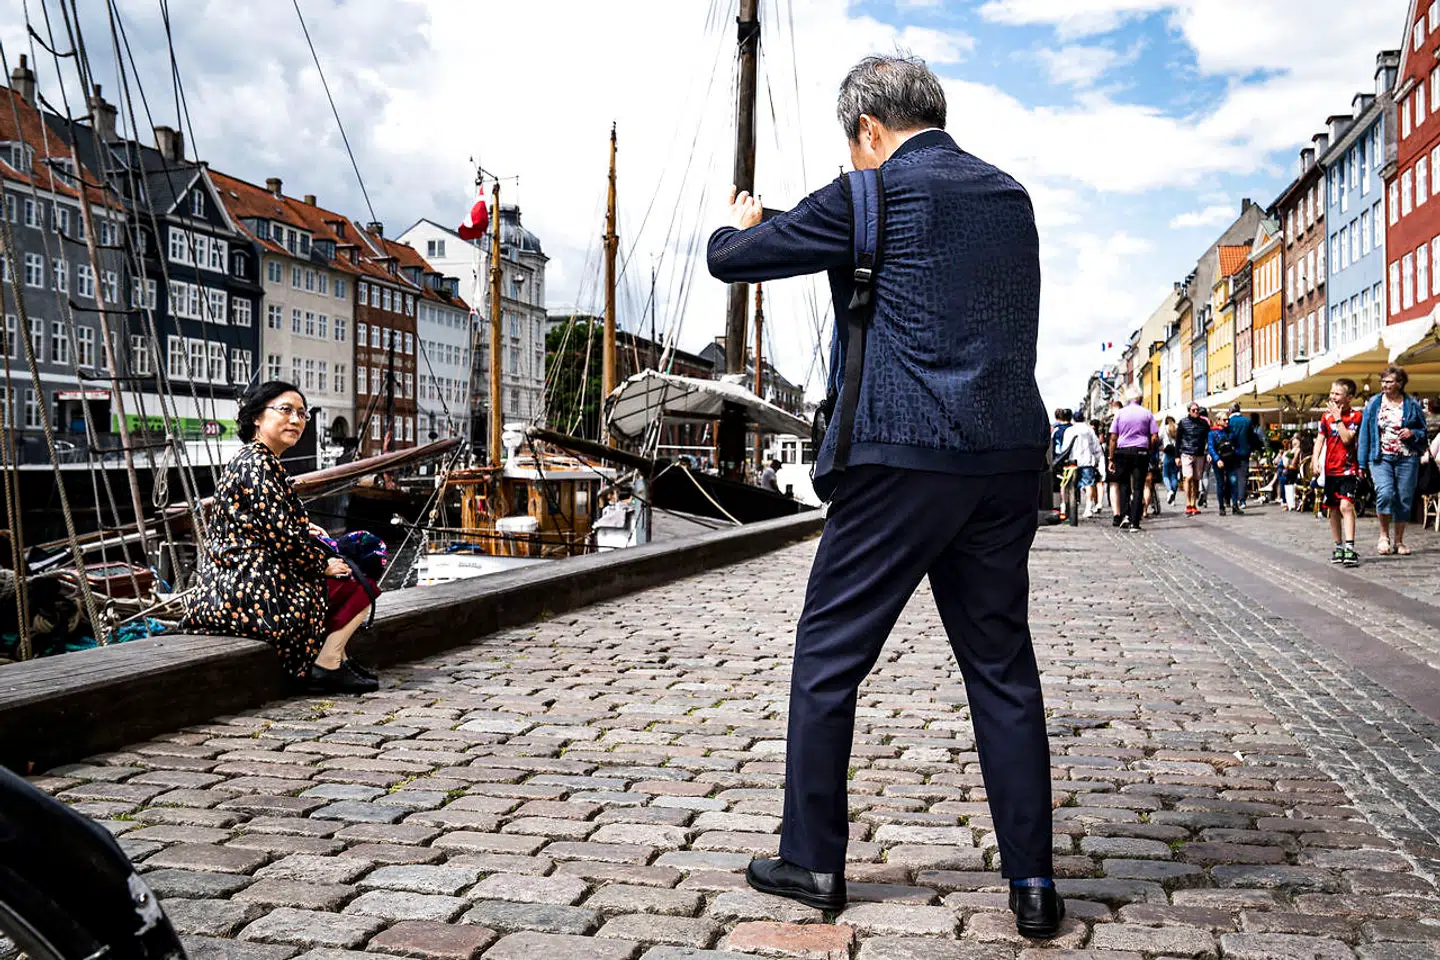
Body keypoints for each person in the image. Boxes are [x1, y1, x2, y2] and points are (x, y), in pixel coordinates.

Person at [706, 55, 1061, 938]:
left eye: (852, 145)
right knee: (1003, 672)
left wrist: (741, 219)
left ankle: (813, 859)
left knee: (829, 659)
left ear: (867, 131)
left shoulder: (870, 193)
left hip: (901, 459)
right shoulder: (1008, 196)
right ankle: (1034, 885)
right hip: (1006, 458)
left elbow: (734, 260)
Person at [183, 382, 379, 693]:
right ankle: (326, 663)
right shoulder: (258, 464)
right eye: (286, 410)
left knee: (348, 577)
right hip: (250, 589)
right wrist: (322, 564)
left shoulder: (255, 459)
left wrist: (306, 529)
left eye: (302, 414)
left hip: (234, 583)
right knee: (360, 586)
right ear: (257, 418)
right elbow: (283, 536)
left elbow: (268, 524)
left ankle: (337, 656)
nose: (296, 419)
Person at [1358, 364, 1428, 556]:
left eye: (1389, 381)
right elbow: (1365, 433)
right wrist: (1362, 463)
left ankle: (1399, 540)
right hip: (1381, 457)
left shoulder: (1412, 404)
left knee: (1404, 499)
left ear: (1400, 383)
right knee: (1386, 493)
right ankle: (1383, 536)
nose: (1385, 385)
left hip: (1407, 458)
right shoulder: (1374, 403)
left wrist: (1412, 432)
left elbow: (1424, 431)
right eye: (1383, 381)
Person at [1316, 378, 1363, 567]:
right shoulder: (1325, 417)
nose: (1332, 397)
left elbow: (1346, 439)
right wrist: (1314, 459)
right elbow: (1320, 439)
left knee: (1346, 506)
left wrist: (1337, 418)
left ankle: (1350, 547)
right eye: (1331, 393)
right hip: (1330, 470)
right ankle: (1338, 546)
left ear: (1349, 397)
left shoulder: (1355, 416)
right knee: (1333, 509)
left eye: (1337, 394)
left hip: (1348, 469)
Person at [1107, 388, 1157, 531]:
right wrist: (1149, 449)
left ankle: (1126, 516)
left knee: (1123, 485)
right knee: (1138, 487)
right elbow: (1154, 436)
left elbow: (1113, 437)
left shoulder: (1120, 414)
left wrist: (1111, 457)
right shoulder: (1147, 413)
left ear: (1128, 400)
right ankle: (1135, 522)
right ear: (1140, 399)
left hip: (1123, 451)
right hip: (1141, 451)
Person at [1223, 402, 1266, 515]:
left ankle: (1228, 499)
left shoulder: (1228, 421)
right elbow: (1252, 437)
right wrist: (1258, 448)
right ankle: (1241, 500)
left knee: (1230, 475)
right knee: (1242, 477)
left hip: (1230, 453)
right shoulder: (1247, 421)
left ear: (1230, 411)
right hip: (1244, 452)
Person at [1058, 415, 1103, 518]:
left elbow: (1064, 448)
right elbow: (1096, 447)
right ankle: (1088, 508)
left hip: (1071, 461)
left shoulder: (1069, 430)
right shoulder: (1089, 430)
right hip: (1086, 461)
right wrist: (1096, 460)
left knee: (1066, 483)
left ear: (1074, 419)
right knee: (1088, 484)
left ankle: (1064, 506)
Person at [1176, 402, 1210, 516]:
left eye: (1197, 410)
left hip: (1200, 454)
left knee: (1196, 479)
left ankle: (1193, 504)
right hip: (1186, 453)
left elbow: (1208, 438)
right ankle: (1187, 504)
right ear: (1189, 411)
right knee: (1188, 477)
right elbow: (1178, 440)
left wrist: (1209, 452)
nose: (1196, 412)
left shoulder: (1204, 423)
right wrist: (1177, 456)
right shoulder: (1183, 423)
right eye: (1194, 410)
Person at [1159, 416, 1180, 506]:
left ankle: (1170, 491)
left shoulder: (1164, 428)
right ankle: (1173, 498)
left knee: (1166, 475)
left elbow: (1159, 438)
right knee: (1174, 476)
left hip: (1167, 454)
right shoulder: (1178, 427)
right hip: (1176, 455)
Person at [1278, 435, 1303, 511]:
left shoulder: (1300, 451)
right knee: (1282, 474)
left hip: (1299, 473)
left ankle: (1285, 501)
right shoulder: (1291, 452)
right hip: (1293, 471)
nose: (1294, 446)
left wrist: (1295, 451)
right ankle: (1285, 501)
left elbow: (1294, 464)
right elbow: (1288, 464)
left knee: (1284, 477)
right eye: (1293, 445)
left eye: (1296, 444)